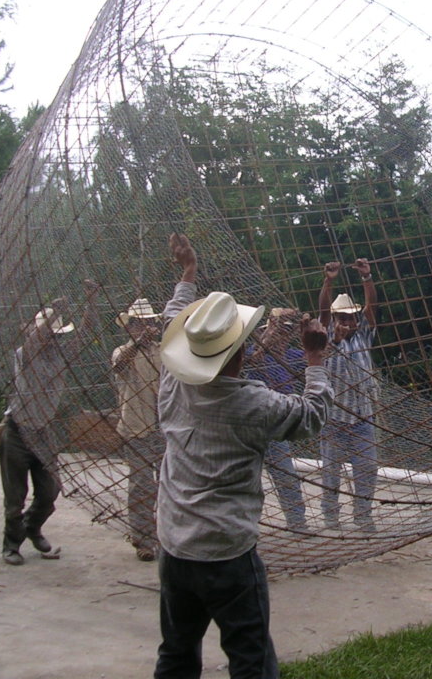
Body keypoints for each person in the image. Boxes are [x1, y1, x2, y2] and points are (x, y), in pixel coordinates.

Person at [154, 233, 332, 679]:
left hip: (175, 547)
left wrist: (188, 275)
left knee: (176, 654)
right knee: (250, 658)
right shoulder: (253, 403)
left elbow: (175, 318)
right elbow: (311, 417)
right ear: (240, 349)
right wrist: (315, 358)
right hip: (227, 553)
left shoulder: (173, 382)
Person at [0, 281, 99, 566]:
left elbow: (86, 333)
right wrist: (54, 311)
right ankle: (11, 545)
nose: (51, 339)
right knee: (15, 498)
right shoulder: (24, 354)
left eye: (55, 335)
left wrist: (90, 301)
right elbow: (34, 342)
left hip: (43, 432)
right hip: (18, 431)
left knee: (49, 492)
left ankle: (32, 527)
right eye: (47, 333)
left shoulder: (60, 358)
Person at [317, 258, 379, 532]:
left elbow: (372, 307)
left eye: (351, 317)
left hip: (363, 418)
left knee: (367, 469)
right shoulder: (328, 336)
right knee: (331, 473)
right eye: (343, 317)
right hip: (335, 420)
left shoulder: (364, 336)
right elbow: (322, 310)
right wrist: (328, 281)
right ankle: (331, 517)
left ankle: (363, 516)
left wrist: (367, 278)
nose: (348, 321)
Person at [246, 307, 309, 531]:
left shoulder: (291, 357)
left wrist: (306, 332)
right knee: (247, 479)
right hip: (251, 428)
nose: (280, 336)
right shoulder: (255, 353)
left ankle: (297, 522)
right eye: (277, 331)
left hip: (277, 428)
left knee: (286, 477)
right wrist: (273, 325)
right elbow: (254, 359)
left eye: (285, 332)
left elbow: (316, 356)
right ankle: (246, 523)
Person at [112, 297, 165, 561]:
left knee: (169, 484)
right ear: (130, 327)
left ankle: (167, 535)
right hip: (136, 427)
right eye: (139, 324)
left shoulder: (163, 351)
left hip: (164, 428)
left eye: (149, 323)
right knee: (142, 485)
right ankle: (143, 539)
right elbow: (118, 366)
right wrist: (137, 343)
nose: (145, 328)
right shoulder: (122, 351)